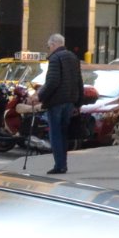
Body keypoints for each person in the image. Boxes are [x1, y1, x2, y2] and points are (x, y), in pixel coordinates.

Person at [35, 33, 84, 176]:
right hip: (70, 101)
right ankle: (63, 164)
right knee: (63, 133)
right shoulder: (73, 57)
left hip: (56, 102)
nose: (49, 49)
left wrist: (40, 97)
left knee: (55, 134)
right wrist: (79, 102)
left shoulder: (55, 58)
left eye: (49, 46)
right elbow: (79, 81)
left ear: (53, 44)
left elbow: (52, 82)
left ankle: (59, 165)